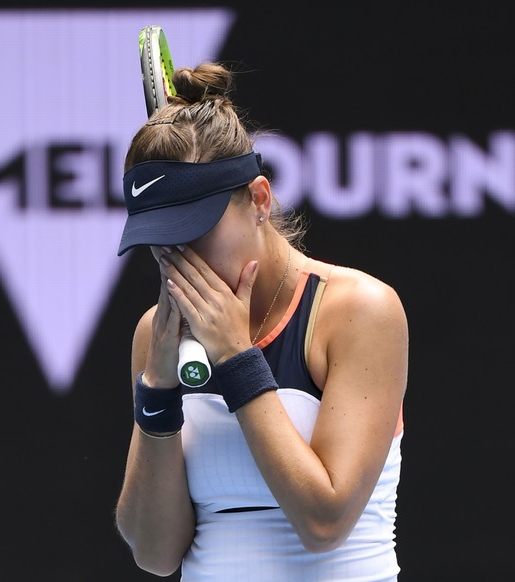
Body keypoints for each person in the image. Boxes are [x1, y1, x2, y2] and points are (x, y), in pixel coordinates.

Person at [114, 62, 409, 581]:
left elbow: (324, 523)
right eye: (163, 240)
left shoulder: (361, 311)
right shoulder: (154, 335)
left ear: (258, 200)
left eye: (198, 231)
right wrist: (157, 391)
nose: (182, 258)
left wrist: (236, 359)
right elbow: (155, 555)